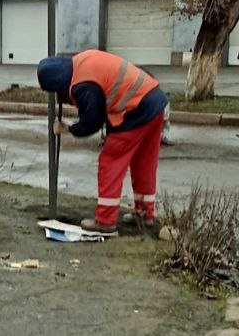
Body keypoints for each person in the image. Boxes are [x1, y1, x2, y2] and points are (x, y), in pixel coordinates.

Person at [38, 49, 168, 236]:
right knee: (144, 163)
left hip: (135, 110)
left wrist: (67, 129)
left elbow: (92, 122)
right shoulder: (81, 62)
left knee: (110, 162)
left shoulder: (82, 86)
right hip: (154, 102)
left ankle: (106, 221)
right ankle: (145, 214)